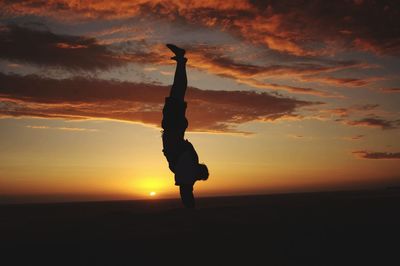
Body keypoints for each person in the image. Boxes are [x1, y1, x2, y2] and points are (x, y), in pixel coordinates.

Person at [161, 44, 209, 208]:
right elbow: (186, 190)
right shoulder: (188, 168)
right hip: (174, 126)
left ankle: (181, 62)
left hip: (173, 126)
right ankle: (181, 61)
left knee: (177, 92)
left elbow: (186, 190)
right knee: (178, 92)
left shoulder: (187, 168)